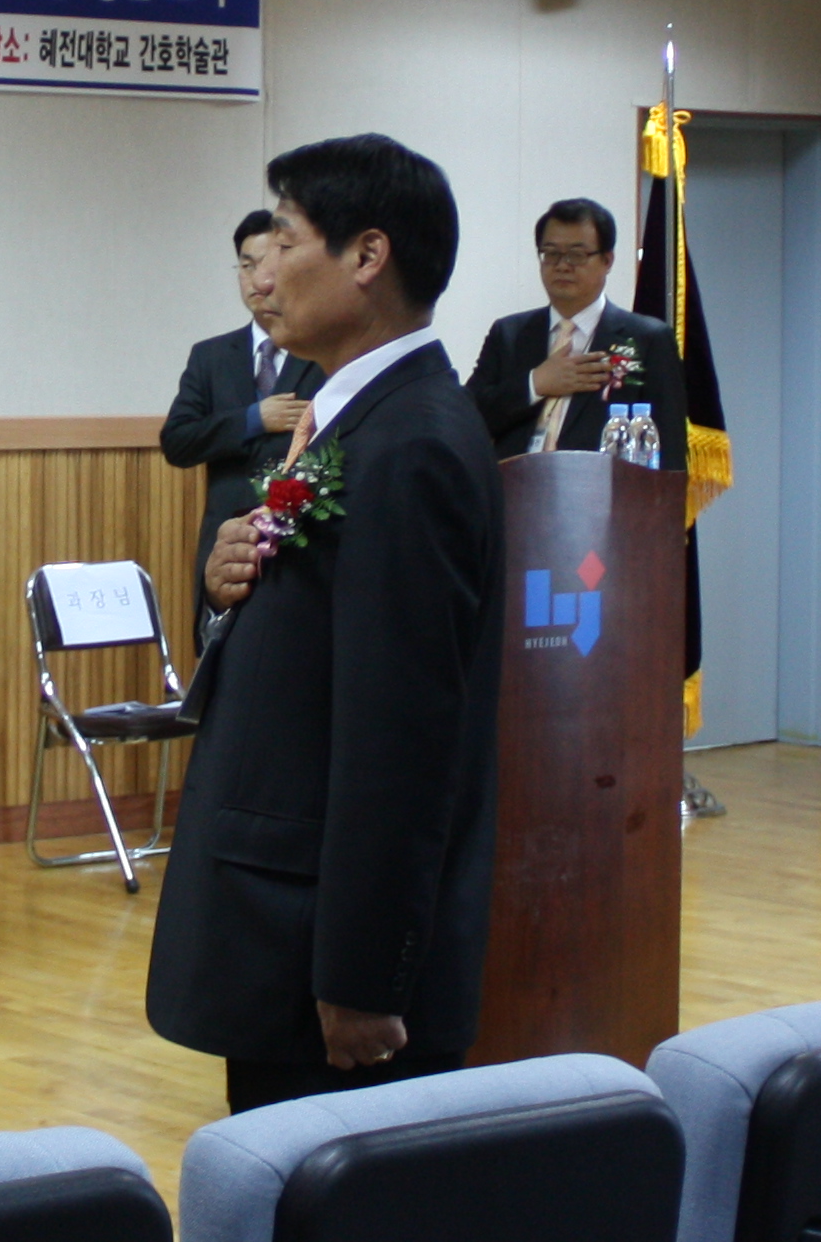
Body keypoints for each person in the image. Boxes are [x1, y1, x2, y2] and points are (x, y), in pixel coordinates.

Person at [147, 132, 502, 1113]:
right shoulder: (356, 418)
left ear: (367, 256)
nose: (263, 274)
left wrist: (364, 973)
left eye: (287, 239)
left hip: (326, 961)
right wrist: (234, 583)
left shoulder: (413, 441)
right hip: (280, 925)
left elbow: (404, 735)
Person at [160, 209, 321, 641]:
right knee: (220, 661)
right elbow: (177, 441)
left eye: (268, 263)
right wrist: (253, 419)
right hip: (225, 550)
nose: (256, 279)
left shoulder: (321, 351)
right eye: (245, 266)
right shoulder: (211, 356)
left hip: (299, 550)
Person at [462, 195, 681, 461]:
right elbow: (466, 418)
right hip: (514, 484)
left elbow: (668, 446)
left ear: (607, 260)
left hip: (602, 485)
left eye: (576, 255)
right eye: (551, 254)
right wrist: (535, 384)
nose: (562, 265)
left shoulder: (647, 339)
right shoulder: (509, 334)